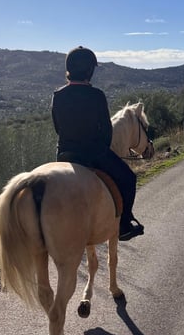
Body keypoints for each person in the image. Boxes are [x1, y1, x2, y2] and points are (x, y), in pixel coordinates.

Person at [51, 46, 144, 241]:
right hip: (93, 154)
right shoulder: (97, 95)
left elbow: (58, 127)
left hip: (65, 154)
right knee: (129, 178)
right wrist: (101, 148)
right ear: (89, 70)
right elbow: (106, 132)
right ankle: (125, 223)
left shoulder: (58, 95)